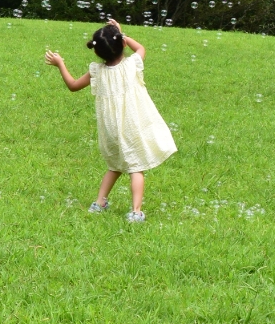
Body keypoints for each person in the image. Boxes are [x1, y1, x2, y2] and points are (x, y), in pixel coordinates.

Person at [44, 19, 177, 223]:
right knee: (135, 167)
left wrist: (60, 63)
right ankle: (136, 211)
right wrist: (122, 35)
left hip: (110, 129)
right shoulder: (132, 65)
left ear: (97, 53)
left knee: (114, 166)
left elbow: (72, 85)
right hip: (133, 126)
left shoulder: (96, 71)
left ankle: (99, 204)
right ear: (122, 44)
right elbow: (141, 48)